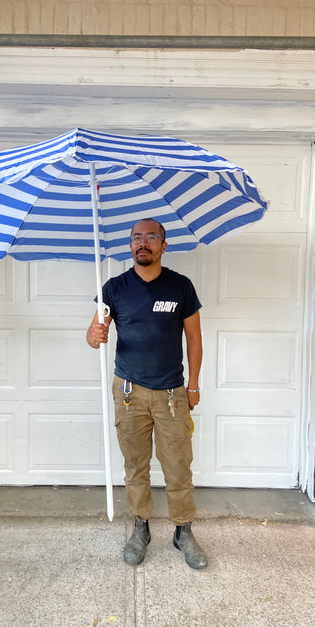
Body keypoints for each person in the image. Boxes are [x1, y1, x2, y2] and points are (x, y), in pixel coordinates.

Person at [86, 218, 207, 570]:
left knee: (178, 466)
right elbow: (95, 333)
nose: (143, 243)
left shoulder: (180, 287)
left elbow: (195, 339)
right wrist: (94, 335)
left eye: (151, 237)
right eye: (137, 238)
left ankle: (183, 531)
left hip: (172, 394)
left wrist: (194, 385)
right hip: (128, 393)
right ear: (130, 246)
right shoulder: (113, 288)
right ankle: (141, 527)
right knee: (135, 465)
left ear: (163, 246)